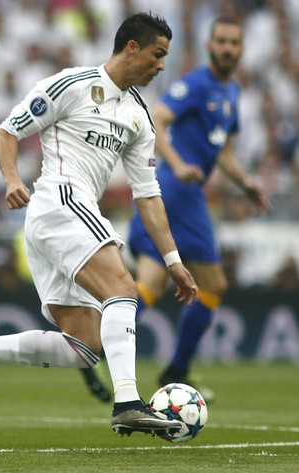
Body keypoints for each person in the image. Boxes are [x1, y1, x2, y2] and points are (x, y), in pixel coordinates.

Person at [0, 12, 198, 438]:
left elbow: (147, 195)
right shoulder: (72, 84)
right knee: (123, 290)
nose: (161, 64)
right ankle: (128, 402)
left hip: (64, 218)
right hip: (59, 200)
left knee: (85, 347)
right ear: (132, 47)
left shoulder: (139, 117)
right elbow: (6, 132)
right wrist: (13, 178)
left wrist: (173, 260)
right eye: (158, 54)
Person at [121, 16, 270, 397]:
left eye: (233, 43)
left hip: (179, 192)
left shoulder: (231, 92)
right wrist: (176, 162)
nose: (226, 48)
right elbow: (158, 118)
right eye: (220, 41)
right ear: (209, 45)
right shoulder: (196, 84)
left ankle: (98, 344)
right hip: (180, 192)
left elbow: (223, 152)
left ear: (240, 49)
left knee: (151, 283)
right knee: (214, 284)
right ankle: (177, 367)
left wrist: (246, 183)